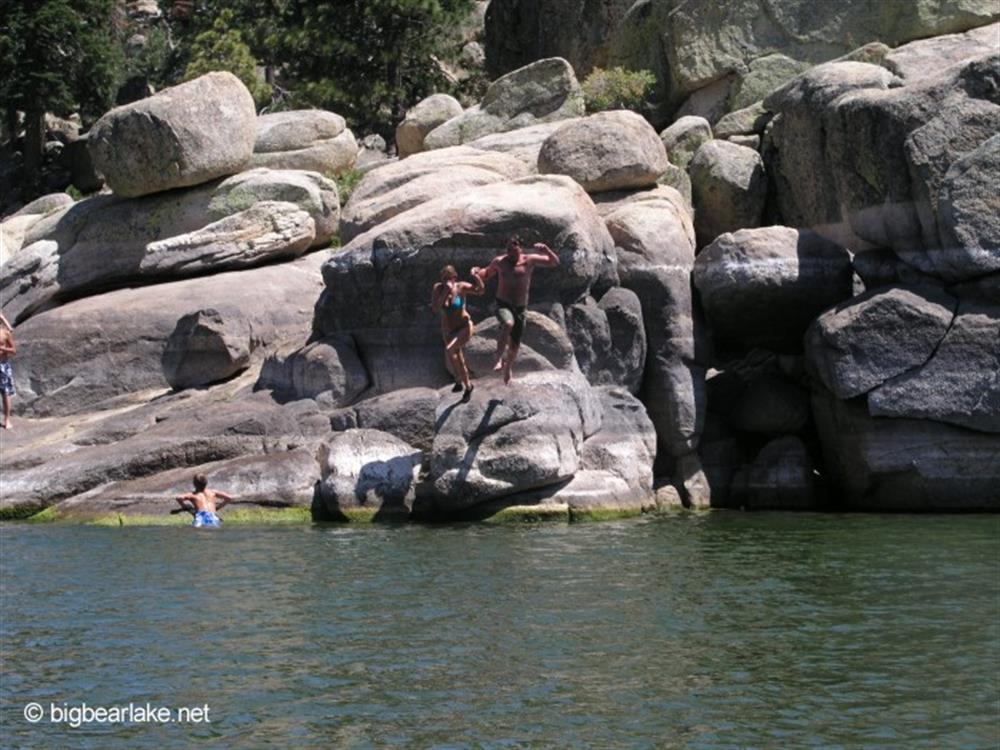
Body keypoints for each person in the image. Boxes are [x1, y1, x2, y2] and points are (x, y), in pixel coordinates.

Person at [472, 235, 560, 384]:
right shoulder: (499, 262)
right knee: (508, 324)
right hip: (503, 304)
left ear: (520, 248)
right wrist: (476, 273)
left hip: (520, 307)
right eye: (508, 249)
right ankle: (498, 358)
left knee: (514, 345)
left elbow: (554, 262)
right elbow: (486, 274)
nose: (510, 252)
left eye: (513, 249)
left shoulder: (529, 260)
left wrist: (546, 250)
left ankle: (508, 368)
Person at [430, 264, 484, 402]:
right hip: (448, 330)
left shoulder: (461, 287)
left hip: (464, 326)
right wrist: (445, 292)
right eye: (443, 278)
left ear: (455, 278)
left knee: (450, 349)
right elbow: (436, 308)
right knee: (457, 359)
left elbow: (480, 291)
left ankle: (459, 380)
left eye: (449, 278)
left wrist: (476, 277)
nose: (446, 281)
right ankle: (467, 386)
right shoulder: (438, 288)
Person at [0, 313, 15, 430]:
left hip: (3, 365)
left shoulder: (5, 333)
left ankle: (7, 419)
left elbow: (13, 350)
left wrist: (2, 348)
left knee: (6, 393)